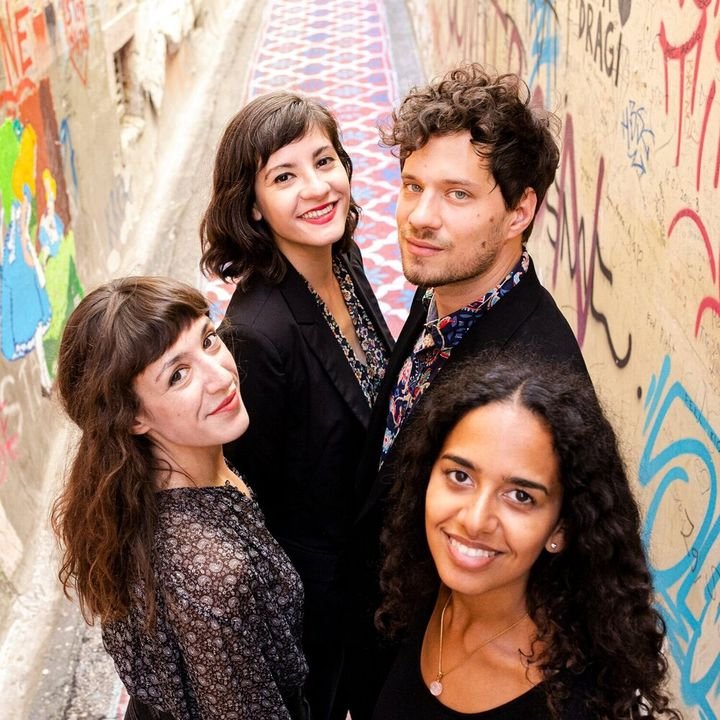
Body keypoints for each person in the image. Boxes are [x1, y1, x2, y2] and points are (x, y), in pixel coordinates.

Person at [346, 63, 592, 718]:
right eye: (412, 186)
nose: (419, 218)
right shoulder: (445, 292)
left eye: (457, 194)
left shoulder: (531, 379)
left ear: (519, 211)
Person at [200, 91, 393, 720]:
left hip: (379, 573)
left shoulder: (343, 258)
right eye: (284, 176)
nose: (317, 188)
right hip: (322, 609)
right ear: (253, 205)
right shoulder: (257, 336)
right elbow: (251, 500)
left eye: (324, 161)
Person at [51, 276, 309, 720]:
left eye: (208, 340)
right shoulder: (212, 575)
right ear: (133, 417)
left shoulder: (148, 476)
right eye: (178, 375)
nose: (222, 377)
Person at [371, 353, 681, 719]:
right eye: (460, 476)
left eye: (520, 496)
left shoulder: (573, 705)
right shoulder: (411, 592)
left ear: (561, 527)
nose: (475, 520)